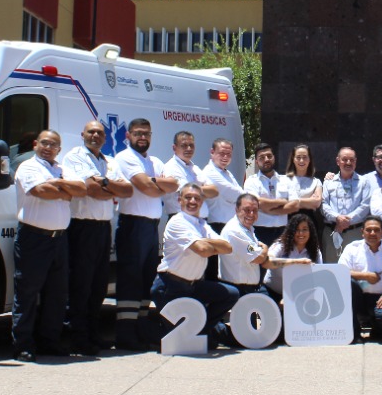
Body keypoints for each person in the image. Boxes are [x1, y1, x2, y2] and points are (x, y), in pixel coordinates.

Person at [12, 130, 87, 362]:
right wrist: (65, 192)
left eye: (53, 145)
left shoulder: (61, 169)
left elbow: (82, 190)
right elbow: (41, 191)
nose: (48, 148)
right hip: (34, 238)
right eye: (44, 143)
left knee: (57, 293)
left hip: (59, 239)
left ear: (59, 149)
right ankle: (23, 345)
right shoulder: (28, 167)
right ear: (35, 144)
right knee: (27, 292)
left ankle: (49, 341)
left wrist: (58, 182)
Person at [62, 120, 132, 355]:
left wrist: (104, 182)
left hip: (103, 229)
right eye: (91, 132)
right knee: (81, 285)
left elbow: (127, 190)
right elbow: (90, 190)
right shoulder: (75, 156)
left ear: (105, 137)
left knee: (98, 285)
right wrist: (109, 187)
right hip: (82, 228)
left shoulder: (109, 161)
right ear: (82, 134)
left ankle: (93, 334)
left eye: (100, 133)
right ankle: (78, 338)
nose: (95, 136)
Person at [113, 118, 180, 350]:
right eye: (138, 133)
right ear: (128, 135)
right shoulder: (125, 157)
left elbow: (173, 184)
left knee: (146, 279)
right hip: (132, 225)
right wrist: (154, 183)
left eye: (146, 133)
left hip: (151, 226)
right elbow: (146, 187)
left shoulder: (154, 161)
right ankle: (125, 333)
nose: (143, 137)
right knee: (130, 278)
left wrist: (152, 182)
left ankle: (140, 328)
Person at [149, 183, 239, 352]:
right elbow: (203, 251)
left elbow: (228, 247)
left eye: (197, 198)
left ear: (202, 201)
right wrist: (210, 245)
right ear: (179, 200)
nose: (192, 201)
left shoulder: (201, 225)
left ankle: (202, 329)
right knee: (182, 341)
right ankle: (189, 333)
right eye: (188, 197)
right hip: (170, 287)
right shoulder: (178, 222)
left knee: (231, 294)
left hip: (193, 286)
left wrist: (202, 240)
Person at [337, 216, 382, 341]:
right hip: (359, 299)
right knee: (349, 283)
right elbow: (340, 272)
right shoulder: (352, 249)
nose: (372, 233)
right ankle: (354, 334)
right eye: (369, 230)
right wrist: (366, 276)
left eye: (376, 230)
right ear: (362, 232)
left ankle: (378, 327)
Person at [321, 146, 372, 262]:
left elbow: (365, 206)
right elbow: (323, 204)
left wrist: (346, 221)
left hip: (355, 232)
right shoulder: (329, 182)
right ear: (338, 161)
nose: (348, 163)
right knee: (332, 267)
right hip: (332, 231)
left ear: (356, 162)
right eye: (344, 159)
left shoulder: (364, 182)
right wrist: (337, 218)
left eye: (352, 160)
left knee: (355, 266)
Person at [244, 143, 300, 245]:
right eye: (262, 157)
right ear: (256, 161)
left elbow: (295, 205)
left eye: (269, 156)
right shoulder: (251, 181)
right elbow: (256, 203)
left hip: (283, 232)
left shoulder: (287, 180)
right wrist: (283, 202)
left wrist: (271, 209)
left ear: (274, 158)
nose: (266, 159)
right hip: (260, 232)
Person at [218, 193, 271, 297]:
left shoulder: (247, 229)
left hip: (247, 289)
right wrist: (265, 248)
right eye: (247, 210)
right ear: (237, 210)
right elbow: (258, 258)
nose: (251, 214)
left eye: (255, 210)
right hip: (239, 289)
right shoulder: (235, 231)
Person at [263, 212, 322, 299]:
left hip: (298, 294)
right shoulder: (281, 244)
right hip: (272, 292)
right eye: (297, 229)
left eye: (304, 229)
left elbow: (319, 276)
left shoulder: (315, 250)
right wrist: (296, 262)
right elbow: (267, 262)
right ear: (291, 231)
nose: (301, 233)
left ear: (310, 232)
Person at [161, 131, 219, 219]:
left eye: (191, 145)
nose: (189, 148)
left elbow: (214, 191)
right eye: (184, 145)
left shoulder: (195, 168)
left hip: (199, 220)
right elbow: (186, 192)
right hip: (181, 219)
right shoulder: (170, 167)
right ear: (174, 148)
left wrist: (195, 189)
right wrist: (202, 191)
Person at [201, 138, 245, 233]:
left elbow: (239, 194)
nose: (225, 157)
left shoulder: (227, 173)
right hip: (217, 226)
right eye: (222, 153)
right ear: (212, 152)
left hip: (230, 225)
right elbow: (237, 195)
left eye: (229, 154)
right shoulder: (210, 172)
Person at [284, 143, 323, 238]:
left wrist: (292, 201)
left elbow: (317, 202)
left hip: (309, 222)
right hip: (288, 221)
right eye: (298, 157)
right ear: (293, 159)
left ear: (309, 159)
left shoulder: (316, 182)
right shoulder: (283, 180)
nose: (301, 160)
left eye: (305, 157)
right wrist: (309, 201)